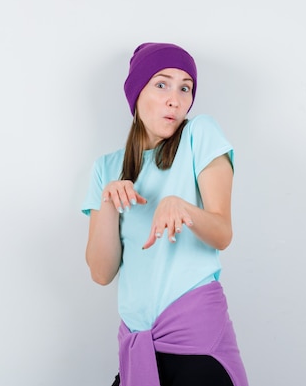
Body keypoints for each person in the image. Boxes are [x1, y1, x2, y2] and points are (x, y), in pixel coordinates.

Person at [81, 42, 249, 386]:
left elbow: (222, 232)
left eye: (185, 88)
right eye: (162, 84)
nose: (176, 98)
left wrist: (182, 206)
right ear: (136, 93)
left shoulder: (198, 134)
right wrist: (109, 204)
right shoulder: (107, 168)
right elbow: (101, 272)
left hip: (197, 345)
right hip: (137, 346)